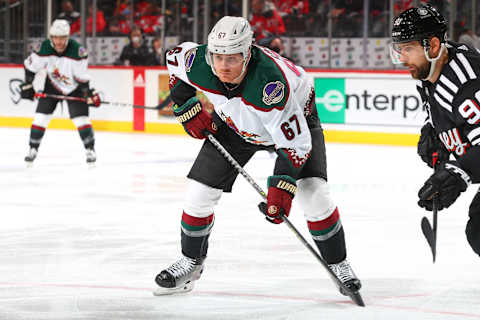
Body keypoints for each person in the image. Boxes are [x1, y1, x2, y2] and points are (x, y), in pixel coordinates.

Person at [153, 16, 362, 296]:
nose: (223, 66)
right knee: (198, 194)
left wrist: (281, 188)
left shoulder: (270, 85)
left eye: (233, 58)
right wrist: (186, 106)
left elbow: (295, 145)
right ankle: (191, 262)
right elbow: (174, 62)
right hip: (233, 127)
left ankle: (339, 264)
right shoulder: (198, 61)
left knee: (314, 196)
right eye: (217, 57)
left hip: (294, 123)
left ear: (248, 53)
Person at [390, 5, 480, 256]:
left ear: (432, 45)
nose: (402, 58)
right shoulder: (435, 67)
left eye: (408, 48)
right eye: (399, 49)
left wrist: (457, 173)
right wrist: (436, 132)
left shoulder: (466, 82)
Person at [19, 19, 101, 164]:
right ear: (51, 37)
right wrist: (27, 84)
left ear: (68, 37)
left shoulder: (78, 51)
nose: (58, 41)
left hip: (74, 88)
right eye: (55, 37)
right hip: (52, 85)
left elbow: (82, 77)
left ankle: (90, 149)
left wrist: (87, 94)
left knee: (81, 120)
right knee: (40, 118)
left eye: (62, 37)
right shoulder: (44, 47)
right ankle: (33, 149)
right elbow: (30, 66)